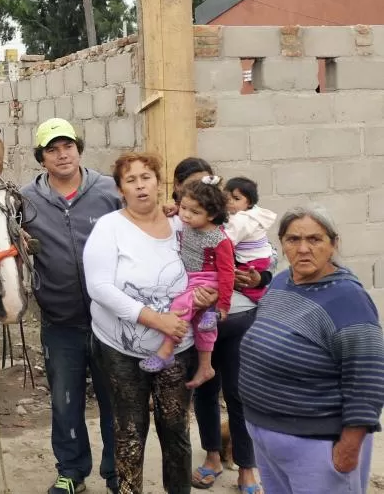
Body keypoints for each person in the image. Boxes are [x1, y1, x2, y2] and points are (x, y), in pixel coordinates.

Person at [239, 205, 384, 494]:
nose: (303, 248)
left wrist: (349, 446)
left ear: (333, 244)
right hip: (267, 434)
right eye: (293, 239)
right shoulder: (282, 282)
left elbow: (366, 379)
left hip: (317, 443)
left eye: (315, 239)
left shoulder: (348, 299)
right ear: (282, 243)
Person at [84, 151, 202, 494]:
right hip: (122, 351)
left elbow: (213, 260)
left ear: (159, 182)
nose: (140, 186)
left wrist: (210, 293)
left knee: (176, 428)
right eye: (131, 180)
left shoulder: (183, 226)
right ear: (121, 189)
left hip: (178, 349)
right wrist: (156, 319)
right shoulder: (110, 228)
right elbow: (99, 287)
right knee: (130, 430)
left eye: (146, 177)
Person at [20, 117, 122, 494]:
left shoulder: (109, 191)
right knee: (65, 402)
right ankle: (72, 472)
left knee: (116, 402)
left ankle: (118, 472)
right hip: (60, 320)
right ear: (41, 158)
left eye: (68, 146)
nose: (62, 154)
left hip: (111, 321)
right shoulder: (26, 199)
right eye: (52, 149)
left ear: (78, 149)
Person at [166, 161, 264, 493]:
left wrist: (258, 276)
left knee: (238, 393)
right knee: (205, 389)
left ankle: (247, 467)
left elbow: (268, 255)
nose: (202, 199)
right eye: (191, 191)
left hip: (235, 318)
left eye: (208, 194)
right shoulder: (172, 225)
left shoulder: (240, 222)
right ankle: (211, 456)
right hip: (196, 317)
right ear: (178, 189)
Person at [141, 176, 234, 392]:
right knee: (202, 325)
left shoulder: (220, 240)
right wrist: (173, 209)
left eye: (194, 212)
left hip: (206, 280)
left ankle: (166, 351)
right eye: (183, 207)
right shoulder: (185, 223)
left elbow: (228, 274)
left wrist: (223, 305)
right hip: (190, 278)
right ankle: (206, 366)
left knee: (180, 307)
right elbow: (178, 211)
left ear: (211, 214)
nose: (186, 214)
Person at [222, 177, 276, 302]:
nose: (229, 202)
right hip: (260, 256)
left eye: (236, 199)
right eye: (226, 197)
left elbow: (226, 241)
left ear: (250, 203)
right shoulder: (252, 212)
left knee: (245, 281)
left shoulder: (241, 220)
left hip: (253, 260)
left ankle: (260, 302)